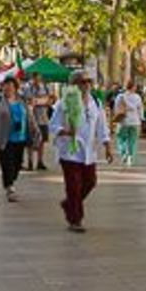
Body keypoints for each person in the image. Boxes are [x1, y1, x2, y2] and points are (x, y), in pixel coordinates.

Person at [50, 69, 113, 232]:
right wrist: (64, 131)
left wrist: (107, 146)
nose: (86, 85)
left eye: (88, 82)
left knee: (90, 182)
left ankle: (69, 204)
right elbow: (53, 125)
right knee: (74, 186)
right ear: (74, 85)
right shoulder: (64, 103)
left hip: (88, 152)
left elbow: (102, 126)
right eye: (82, 82)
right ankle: (75, 220)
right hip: (69, 151)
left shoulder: (95, 103)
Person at [0, 76, 39, 202]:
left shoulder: (22, 101)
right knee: (7, 164)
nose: (8, 88)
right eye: (5, 86)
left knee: (17, 165)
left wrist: (35, 131)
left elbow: (30, 116)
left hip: (20, 138)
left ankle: (10, 181)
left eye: (10, 86)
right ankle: (10, 188)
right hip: (3, 139)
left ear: (15, 88)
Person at [114, 80, 144, 166]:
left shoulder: (120, 96)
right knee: (132, 140)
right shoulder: (138, 97)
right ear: (133, 87)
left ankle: (123, 153)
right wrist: (141, 119)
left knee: (121, 138)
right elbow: (140, 109)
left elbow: (116, 108)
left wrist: (116, 117)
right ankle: (130, 156)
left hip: (124, 121)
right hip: (135, 121)